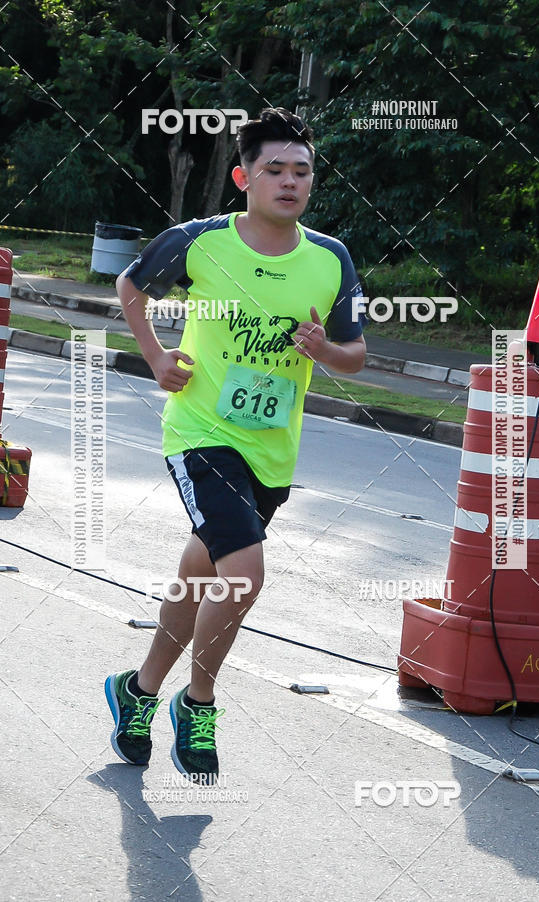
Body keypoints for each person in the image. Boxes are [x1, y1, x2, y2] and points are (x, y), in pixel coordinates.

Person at [105, 107, 366, 782]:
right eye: (275, 169)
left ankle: (136, 691)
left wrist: (325, 349)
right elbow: (130, 286)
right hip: (201, 433)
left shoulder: (330, 258)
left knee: (201, 578)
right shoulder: (200, 241)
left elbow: (357, 355)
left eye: (302, 171)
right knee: (244, 574)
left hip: (271, 451)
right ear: (242, 175)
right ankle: (198, 703)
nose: (289, 182)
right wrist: (157, 357)